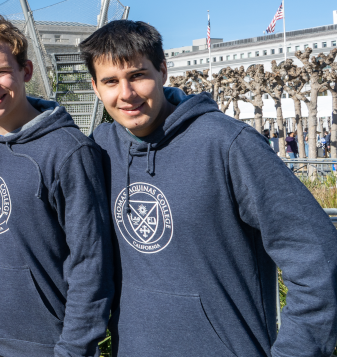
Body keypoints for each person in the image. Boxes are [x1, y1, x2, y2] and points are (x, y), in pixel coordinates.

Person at [81, 20, 337, 357]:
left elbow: (317, 257)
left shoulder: (228, 144)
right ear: (96, 89)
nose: (126, 94)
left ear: (162, 71)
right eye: (111, 81)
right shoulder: (99, 147)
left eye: (137, 75)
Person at [0, 18, 113, 357]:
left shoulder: (69, 151)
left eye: (0, 72)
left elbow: (90, 263)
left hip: (44, 344)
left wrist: (74, 349)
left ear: (26, 71)